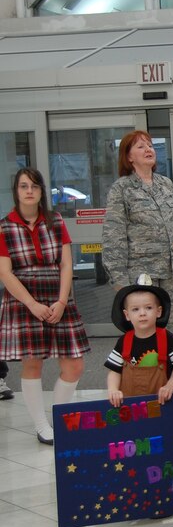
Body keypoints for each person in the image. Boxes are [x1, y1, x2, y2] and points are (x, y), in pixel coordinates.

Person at [0, 168, 90, 445]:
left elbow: (65, 264)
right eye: (24, 186)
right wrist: (31, 304)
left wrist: (62, 301)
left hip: (57, 293)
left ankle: (59, 416)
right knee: (32, 364)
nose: (29, 191)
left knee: (74, 365)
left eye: (34, 186)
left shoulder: (56, 221)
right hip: (23, 297)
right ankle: (41, 426)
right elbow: (5, 272)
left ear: (41, 192)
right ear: (16, 191)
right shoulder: (4, 227)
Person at [102, 130, 173, 337]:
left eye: (150, 145)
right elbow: (113, 237)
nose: (148, 149)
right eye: (140, 146)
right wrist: (120, 281)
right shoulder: (122, 189)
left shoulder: (166, 185)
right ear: (129, 156)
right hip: (140, 275)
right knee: (144, 339)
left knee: (170, 339)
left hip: (172, 274)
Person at [105, 274, 173, 407]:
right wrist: (113, 389)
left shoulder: (167, 338)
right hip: (132, 408)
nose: (142, 313)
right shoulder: (124, 341)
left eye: (148, 308)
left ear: (158, 312)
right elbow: (114, 370)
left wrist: (171, 385)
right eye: (135, 309)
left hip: (165, 403)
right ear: (127, 315)